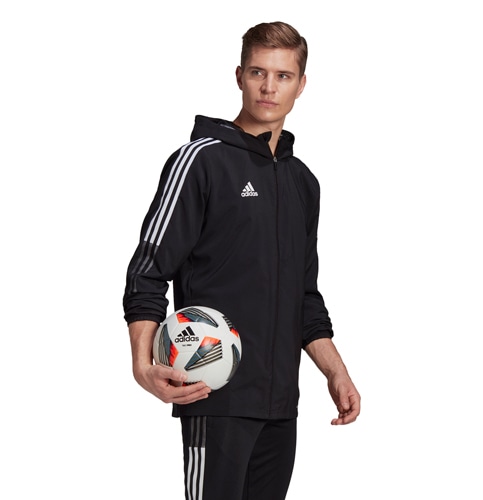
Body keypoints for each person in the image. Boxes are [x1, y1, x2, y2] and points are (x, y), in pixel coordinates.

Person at [123, 21, 361, 500]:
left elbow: (304, 295)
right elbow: (147, 272)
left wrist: (336, 371)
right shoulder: (200, 161)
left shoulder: (302, 182)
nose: (269, 87)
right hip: (212, 392)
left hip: (281, 405)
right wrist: (142, 366)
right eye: (258, 72)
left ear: (301, 85)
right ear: (239, 76)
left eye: (283, 75)